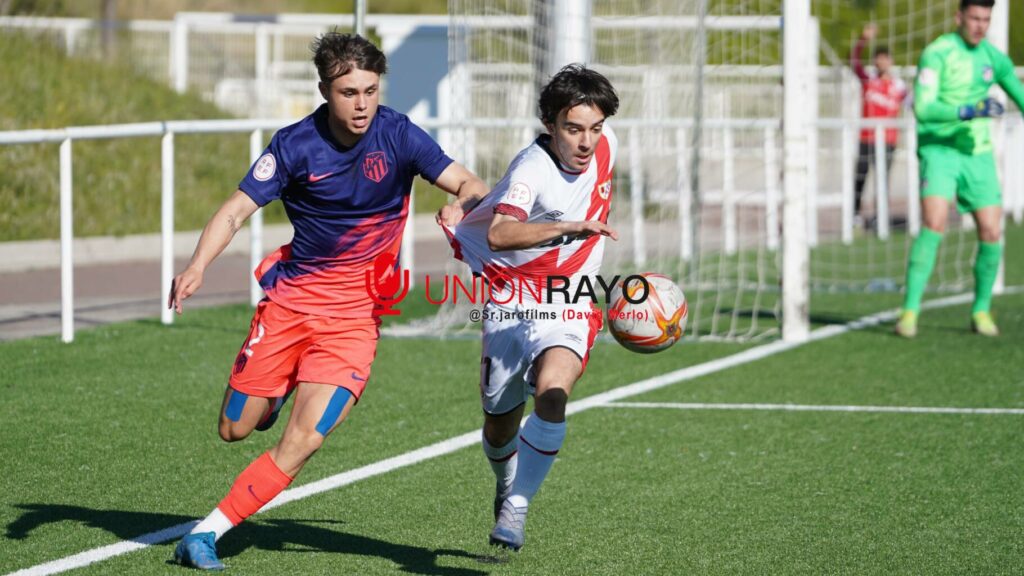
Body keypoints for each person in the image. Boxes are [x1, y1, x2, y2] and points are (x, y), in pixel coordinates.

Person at [168, 32, 488, 570]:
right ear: (324, 90)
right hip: (289, 307)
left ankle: (205, 533)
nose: (362, 104)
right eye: (348, 92)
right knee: (235, 428)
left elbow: (471, 183)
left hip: (354, 322)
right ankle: (275, 387)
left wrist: (461, 204)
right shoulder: (294, 145)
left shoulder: (399, 135)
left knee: (305, 439)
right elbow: (233, 212)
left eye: (370, 90)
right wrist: (197, 266)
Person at [442, 64, 619, 551]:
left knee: (553, 393)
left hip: (570, 297)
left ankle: (517, 507)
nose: (587, 141)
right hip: (509, 299)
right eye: (573, 128)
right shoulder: (532, 169)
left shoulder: (607, 144)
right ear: (550, 125)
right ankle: (507, 480)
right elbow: (499, 233)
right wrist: (569, 227)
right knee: (500, 421)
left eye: (596, 128)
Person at [896, 0, 1024, 338]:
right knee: (935, 222)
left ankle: (980, 310)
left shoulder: (993, 58)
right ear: (959, 17)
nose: (980, 26)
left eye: (986, 19)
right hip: (939, 148)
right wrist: (968, 110)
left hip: (977, 152)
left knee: (992, 231)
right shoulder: (937, 53)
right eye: (975, 18)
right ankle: (909, 310)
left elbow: (1020, 95)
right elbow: (923, 108)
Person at [850, 23, 908, 227]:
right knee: (860, 177)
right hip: (866, 138)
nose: (882, 61)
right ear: (875, 60)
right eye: (879, 58)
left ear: (890, 61)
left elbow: (913, 104)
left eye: (885, 58)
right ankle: (854, 215)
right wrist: (863, 39)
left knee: (883, 180)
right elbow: (854, 62)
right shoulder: (868, 79)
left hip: (888, 141)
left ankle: (880, 217)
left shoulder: (899, 86)